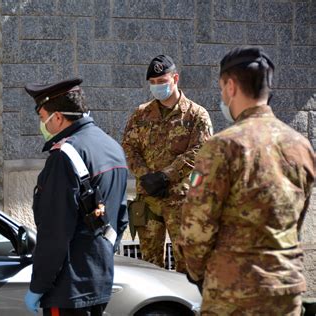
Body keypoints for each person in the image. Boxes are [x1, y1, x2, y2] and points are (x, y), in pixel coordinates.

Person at [179, 46, 315, 315]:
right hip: (285, 291)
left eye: (221, 88)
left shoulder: (223, 146)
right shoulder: (301, 146)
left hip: (233, 294)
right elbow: (296, 220)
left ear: (230, 86)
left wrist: (199, 273)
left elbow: (197, 229)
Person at [23, 78, 128, 315]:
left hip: (67, 289)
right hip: (99, 280)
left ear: (57, 117)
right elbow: (121, 218)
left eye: (43, 118)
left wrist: (39, 285)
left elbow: (55, 232)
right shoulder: (112, 147)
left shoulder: (64, 156)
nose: (43, 126)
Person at [122, 55, 213, 272]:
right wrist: (145, 176)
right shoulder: (141, 114)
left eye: (161, 81)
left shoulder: (196, 115)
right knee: (148, 264)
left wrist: (166, 176)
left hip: (181, 201)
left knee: (187, 264)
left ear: (175, 78)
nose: (157, 86)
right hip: (148, 198)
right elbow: (128, 147)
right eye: (153, 83)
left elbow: (200, 151)